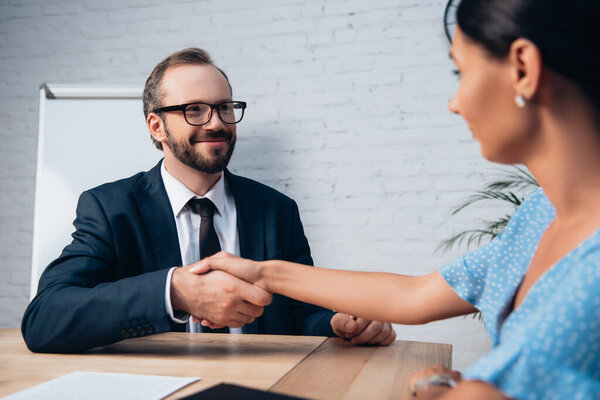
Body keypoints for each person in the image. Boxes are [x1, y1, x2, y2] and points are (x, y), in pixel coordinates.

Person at [196, 0, 600, 398]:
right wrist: (263, 274)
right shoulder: (537, 216)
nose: (454, 103)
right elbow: (415, 296)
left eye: (462, 71)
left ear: (523, 69)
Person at [21, 48, 395, 353]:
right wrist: (175, 292)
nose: (216, 122)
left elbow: (300, 312)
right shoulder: (110, 207)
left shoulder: (276, 209)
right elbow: (45, 318)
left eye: (225, 107)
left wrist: (338, 322)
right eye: (194, 110)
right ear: (156, 126)